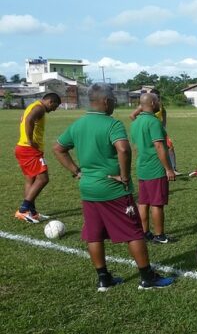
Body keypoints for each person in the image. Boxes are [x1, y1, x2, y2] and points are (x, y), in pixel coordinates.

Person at [53, 84, 173, 291]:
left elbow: (58, 148)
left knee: (94, 234)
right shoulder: (112, 124)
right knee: (134, 232)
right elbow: (123, 149)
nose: (114, 105)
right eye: (114, 101)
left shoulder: (78, 124)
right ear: (106, 101)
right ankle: (147, 277)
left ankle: (104, 278)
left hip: (88, 188)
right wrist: (124, 176)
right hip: (113, 188)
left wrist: (77, 171)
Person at [130, 92, 176, 244]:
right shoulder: (154, 122)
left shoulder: (135, 122)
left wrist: (140, 107)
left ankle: (144, 232)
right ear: (152, 103)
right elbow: (159, 146)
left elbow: (133, 116)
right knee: (157, 203)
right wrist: (169, 169)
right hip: (155, 168)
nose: (159, 103)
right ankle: (159, 236)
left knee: (143, 202)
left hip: (142, 167)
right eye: (157, 101)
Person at [14, 92, 61, 223]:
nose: (54, 109)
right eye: (55, 106)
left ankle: (32, 212)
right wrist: (29, 140)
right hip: (29, 150)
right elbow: (28, 120)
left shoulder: (33, 106)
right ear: (50, 102)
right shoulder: (39, 108)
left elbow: (24, 119)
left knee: (31, 180)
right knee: (43, 178)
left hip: (22, 148)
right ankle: (23, 210)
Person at [130, 91, 179, 174]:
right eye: (155, 97)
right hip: (150, 129)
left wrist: (163, 127)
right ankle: (167, 168)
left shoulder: (160, 106)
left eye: (158, 97)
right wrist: (141, 126)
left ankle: (173, 168)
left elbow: (164, 113)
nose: (158, 99)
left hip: (158, 130)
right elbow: (132, 115)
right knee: (157, 148)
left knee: (170, 147)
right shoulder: (145, 105)